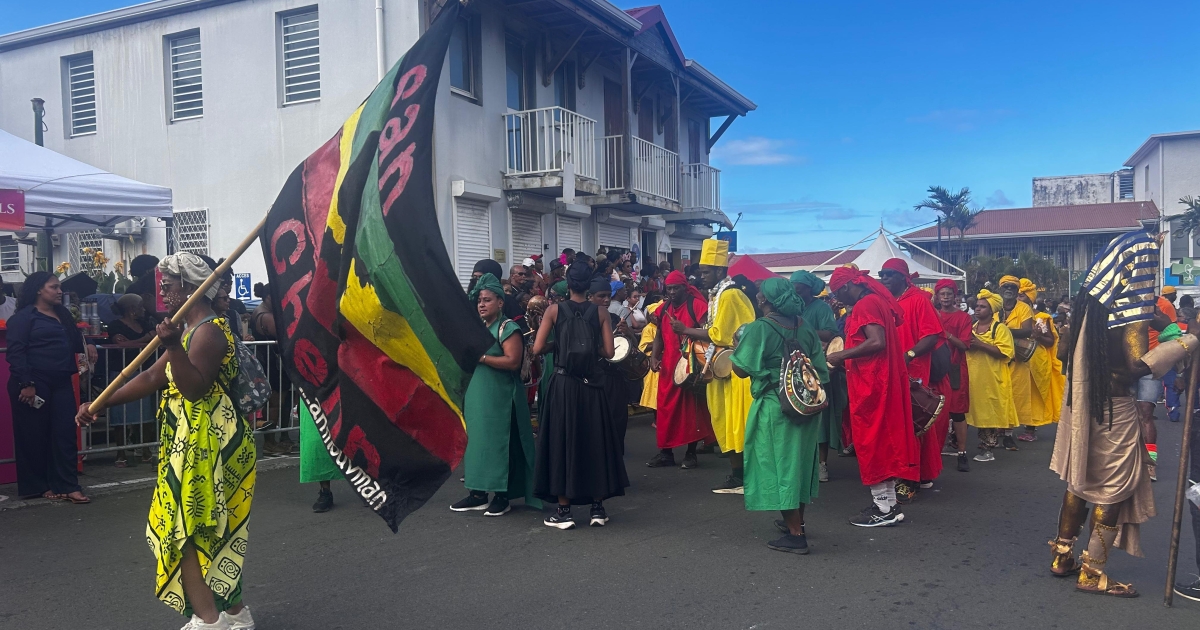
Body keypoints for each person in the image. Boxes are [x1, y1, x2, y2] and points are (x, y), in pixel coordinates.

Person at [77, 252, 257, 628]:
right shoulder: (187, 327)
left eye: (169, 282)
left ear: (191, 287)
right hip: (187, 440)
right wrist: (99, 403)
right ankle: (234, 614)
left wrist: (174, 345)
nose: (161, 288)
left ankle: (211, 619)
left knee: (187, 528)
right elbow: (150, 378)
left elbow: (192, 389)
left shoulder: (208, 330)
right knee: (203, 526)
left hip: (210, 440)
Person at [1047, 229, 1158, 598]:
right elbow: (1134, 366)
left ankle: (1062, 557)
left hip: (1081, 405)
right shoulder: (1132, 309)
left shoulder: (1085, 306)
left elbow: (1064, 355)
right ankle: (1092, 572)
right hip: (1116, 407)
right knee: (1111, 488)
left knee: (1079, 480)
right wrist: (1180, 346)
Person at [732, 277, 826, 554]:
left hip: (776, 406)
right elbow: (820, 366)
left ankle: (796, 535)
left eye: (760, 295)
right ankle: (798, 522)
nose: (758, 297)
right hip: (805, 405)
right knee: (799, 464)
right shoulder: (803, 325)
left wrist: (739, 344)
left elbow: (740, 368)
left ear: (766, 301)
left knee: (780, 465)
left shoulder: (761, 328)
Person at [532, 260, 626, 530]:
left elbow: (538, 349)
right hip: (592, 385)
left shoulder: (553, 310)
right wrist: (588, 348)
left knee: (562, 441)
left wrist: (560, 344)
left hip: (563, 385)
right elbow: (609, 352)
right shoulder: (600, 313)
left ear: (568, 284)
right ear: (589, 285)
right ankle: (597, 508)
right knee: (594, 441)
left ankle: (564, 512)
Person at [826, 266, 919, 527]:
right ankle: (887, 504)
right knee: (881, 442)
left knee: (872, 442)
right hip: (878, 380)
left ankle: (882, 509)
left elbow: (876, 341)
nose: (836, 300)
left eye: (836, 293)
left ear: (846, 287)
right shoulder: (875, 300)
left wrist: (839, 355)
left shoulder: (866, 304)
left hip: (873, 383)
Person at [451, 273, 540, 517]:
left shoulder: (507, 327)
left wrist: (481, 358)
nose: (481, 304)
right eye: (480, 300)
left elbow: (512, 361)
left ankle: (502, 496)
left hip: (500, 397)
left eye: (487, 300)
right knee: (477, 444)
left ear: (500, 303)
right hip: (477, 395)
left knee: (500, 444)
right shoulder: (477, 327)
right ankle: (477, 494)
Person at [674, 239, 756, 493]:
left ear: (721, 271)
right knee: (723, 419)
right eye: (700, 271)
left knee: (735, 422)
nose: (701, 276)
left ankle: (742, 477)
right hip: (722, 371)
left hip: (735, 372)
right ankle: (739, 476)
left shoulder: (730, 295)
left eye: (706, 271)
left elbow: (720, 334)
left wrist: (686, 330)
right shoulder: (719, 294)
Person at [7, 272, 91, 504]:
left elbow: (75, 340)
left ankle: (68, 485)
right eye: (53, 287)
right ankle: (37, 485)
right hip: (33, 382)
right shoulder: (24, 318)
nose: (59, 291)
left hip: (61, 380)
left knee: (65, 433)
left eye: (59, 287)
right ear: (38, 290)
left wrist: (89, 343)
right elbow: (16, 353)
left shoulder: (62, 314)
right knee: (34, 435)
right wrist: (26, 384)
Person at [877, 258, 946, 501]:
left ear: (903, 278)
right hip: (890, 371)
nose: (884, 278)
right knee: (909, 426)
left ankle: (910, 479)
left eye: (889, 274)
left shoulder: (918, 300)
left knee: (912, 424)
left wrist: (909, 354)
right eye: (881, 274)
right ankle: (922, 473)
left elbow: (932, 336)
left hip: (913, 370)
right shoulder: (886, 301)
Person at [648, 270, 715, 469]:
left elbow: (709, 334)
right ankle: (665, 453)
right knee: (665, 410)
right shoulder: (664, 308)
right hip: (668, 367)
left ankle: (691, 453)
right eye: (669, 288)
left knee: (691, 409)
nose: (672, 292)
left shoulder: (697, 306)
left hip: (690, 365)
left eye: (676, 288)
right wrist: (654, 356)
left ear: (685, 288)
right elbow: (659, 334)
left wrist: (684, 329)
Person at [791, 271, 843, 482]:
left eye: (800, 288)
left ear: (809, 289)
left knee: (820, 418)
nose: (795, 291)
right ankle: (802, 462)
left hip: (816, 366)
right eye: (793, 287)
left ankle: (822, 464)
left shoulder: (821, 308)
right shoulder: (791, 306)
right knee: (797, 414)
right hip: (794, 365)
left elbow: (831, 334)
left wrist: (805, 328)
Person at [966, 290, 1019, 462]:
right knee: (970, 410)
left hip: (992, 378)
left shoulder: (1000, 328)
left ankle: (988, 449)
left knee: (988, 413)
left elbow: (1005, 352)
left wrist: (981, 344)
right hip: (973, 378)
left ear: (992, 310)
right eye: (977, 306)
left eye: (982, 307)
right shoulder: (972, 327)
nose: (977, 309)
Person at [107, 293, 157, 467]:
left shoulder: (144, 324)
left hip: (143, 372)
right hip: (121, 372)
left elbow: (148, 340)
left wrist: (136, 342)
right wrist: (145, 340)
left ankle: (145, 450)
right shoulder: (115, 325)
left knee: (147, 416)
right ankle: (120, 453)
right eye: (141, 306)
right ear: (131, 310)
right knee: (120, 416)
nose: (144, 309)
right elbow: (121, 344)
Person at [933, 280, 973, 473]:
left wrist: (946, 334)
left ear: (954, 296)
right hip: (934, 367)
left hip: (955, 368)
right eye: (943, 294)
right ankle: (934, 452)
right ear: (937, 296)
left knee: (957, 412)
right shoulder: (933, 314)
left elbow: (965, 344)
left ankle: (962, 452)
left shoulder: (963, 317)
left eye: (949, 294)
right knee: (934, 410)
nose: (946, 297)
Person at [1018, 280, 1064, 442]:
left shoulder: (1040, 319)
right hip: (1016, 361)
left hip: (1036, 361)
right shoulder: (1010, 315)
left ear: (1030, 298)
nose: (1018, 299)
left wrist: (1038, 336)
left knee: (1033, 394)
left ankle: (1030, 429)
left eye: (1021, 296)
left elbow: (1050, 341)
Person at [997, 275, 1034, 450]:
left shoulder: (1024, 308)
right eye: (1006, 287)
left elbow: (1027, 331)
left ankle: (1008, 434)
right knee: (997, 395)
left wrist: (1002, 331)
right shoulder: (995, 308)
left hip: (1018, 360)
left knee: (1013, 397)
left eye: (1013, 287)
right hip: (996, 358)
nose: (1009, 290)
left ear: (1017, 291)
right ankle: (994, 432)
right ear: (1000, 290)